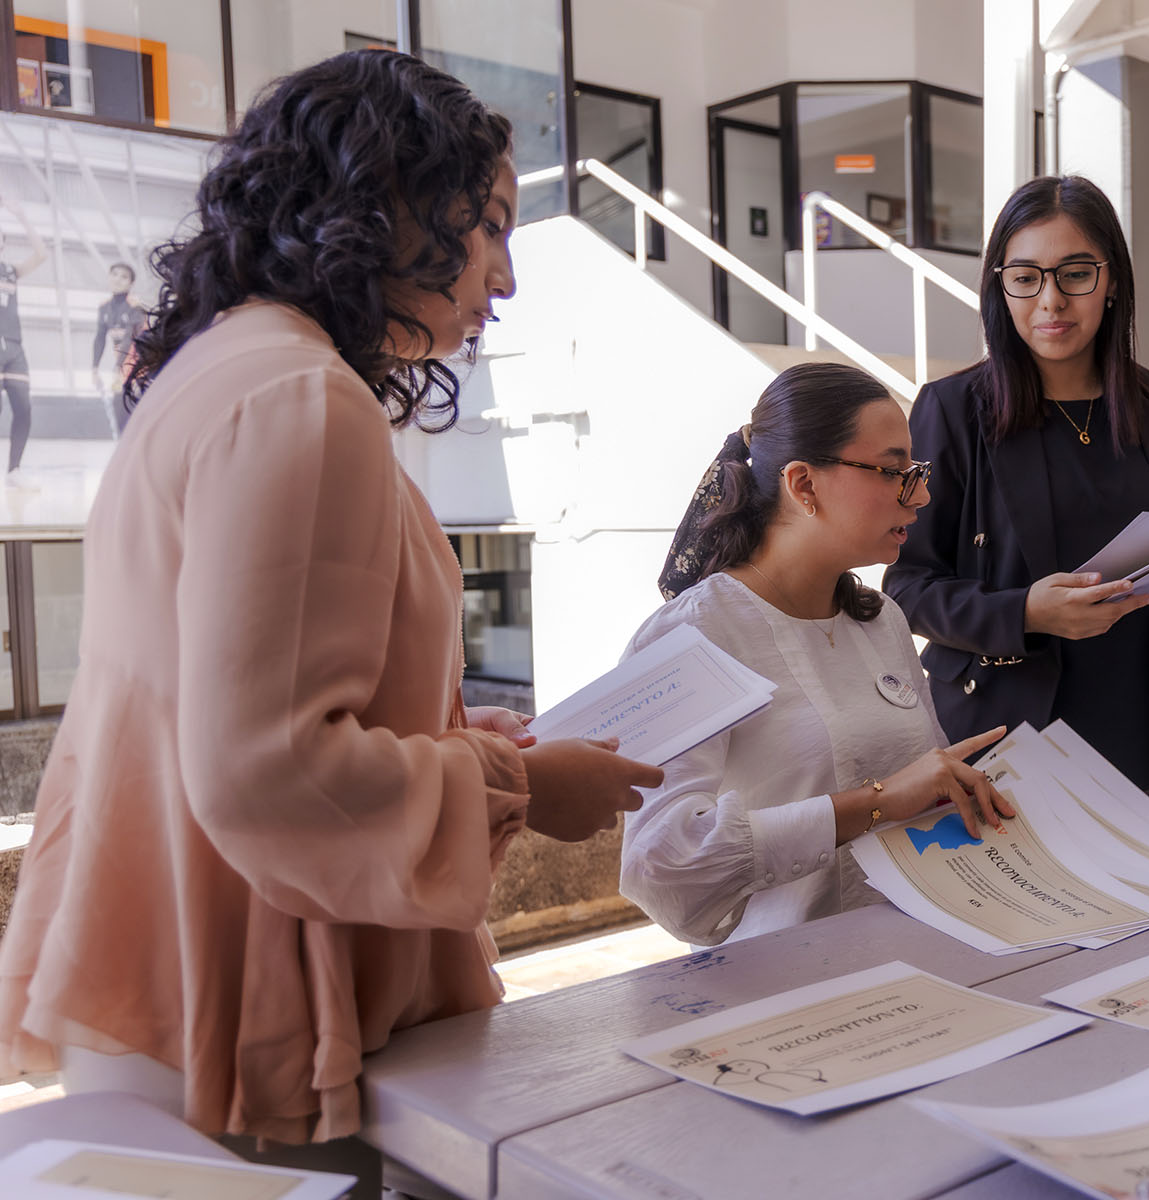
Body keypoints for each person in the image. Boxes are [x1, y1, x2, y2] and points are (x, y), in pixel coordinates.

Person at [0, 50, 661, 1189]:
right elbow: (270, 769)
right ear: (388, 205)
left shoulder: (226, 373)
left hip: (165, 967)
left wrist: (459, 746)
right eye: (490, 226)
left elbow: (233, 705)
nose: (505, 277)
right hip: (242, 1008)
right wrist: (523, 788)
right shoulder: (303, 400)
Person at [884, 176, 1149, 814]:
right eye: (1026, 277)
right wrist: (1025, 613)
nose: (1051, 301)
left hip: (1133, 735)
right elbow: (907, 588)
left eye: (1075, 274)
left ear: (1112, 279)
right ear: (999, 285)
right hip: (1002, 742)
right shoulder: (953, 410)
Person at [624, 362, 1013, 947]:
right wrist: (874, 805)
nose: (922, 495)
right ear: (803, 484)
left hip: (927, 954)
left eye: (915, 470)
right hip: (782, 988)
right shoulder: (690, 638)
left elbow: (927, 790)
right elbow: (663, 870)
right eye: (893, 471)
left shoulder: (880, 621)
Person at [0, 193, 47, 487]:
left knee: (24, 408)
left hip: (14, 347)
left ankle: (14, 470)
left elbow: (41, 254)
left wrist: (22, 216)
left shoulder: (10, 271)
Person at [92, 260, 147, 437]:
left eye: (124, 277)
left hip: (142, 363)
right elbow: (100, 338)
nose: (118, 279)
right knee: (119, 409)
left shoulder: (135, 306)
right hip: (122, 366)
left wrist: (117, 368)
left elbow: (130, 339)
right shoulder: (104, 307)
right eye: (115, 274)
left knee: (128, 407)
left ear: (131, 284)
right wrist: (94, 368)